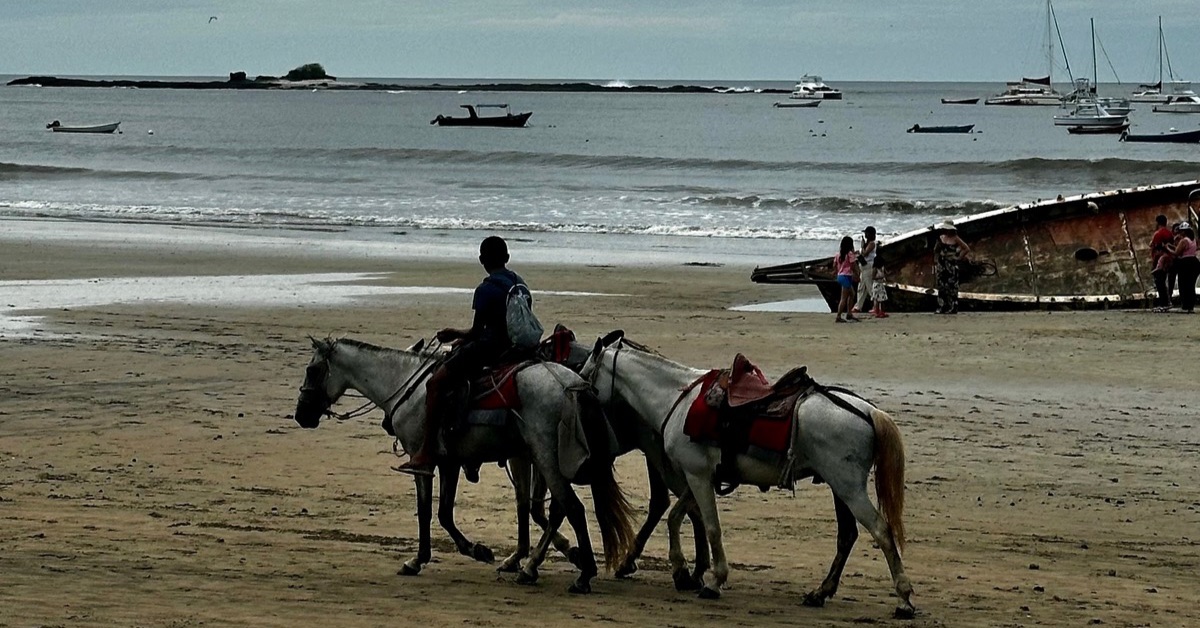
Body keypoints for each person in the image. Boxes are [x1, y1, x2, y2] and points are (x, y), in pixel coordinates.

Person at [394, 236, 529, 476]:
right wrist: (463, 338)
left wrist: (455, 333)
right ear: (507, 259)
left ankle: (425, 452)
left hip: (490, 349)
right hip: (515, 348)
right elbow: (506, 325)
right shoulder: (520, 284)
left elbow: (479, 332)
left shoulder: (486, 289)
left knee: (435, 384)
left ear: (481, 260)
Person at [933, 221, 970, 314]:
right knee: (942, 286)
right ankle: (942, 306)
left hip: (952, 264)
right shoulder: (941, 238)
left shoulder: (956, 238)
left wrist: (958, 257)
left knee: (952, 286)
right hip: (942, 264)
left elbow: (966, 248)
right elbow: (936, 250)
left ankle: (953, 307)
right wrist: (936, 260)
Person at [1172, 223, 1199, 313]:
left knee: (1183, 284)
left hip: (1185, 263)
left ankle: (1185, 305)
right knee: (1191, 285)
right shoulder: (1193, 240)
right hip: (1194, 262)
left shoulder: (1184, 241)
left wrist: (1166, 248)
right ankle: (1190, 305)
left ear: (1184, 232)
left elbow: (1176, 253)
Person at [1150, 214, 1175, 311]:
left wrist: (1154, 263)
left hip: (1160, 260)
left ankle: (1163, 303)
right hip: (1168, 259)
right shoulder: (1169, 233)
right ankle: (1166, 302)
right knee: (1163, 281)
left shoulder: (1158, 234)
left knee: (1159, 282)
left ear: (1157, 222)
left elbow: (1157, 250)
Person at [833, 236, 860, 323]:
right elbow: (854, 266)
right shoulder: (850, 254)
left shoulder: (838, 255)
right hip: (846, 276)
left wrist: (836, 272)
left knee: (852, 294)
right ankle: (838, 316)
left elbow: (834, 265)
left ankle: (849, 313)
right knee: (844, 297)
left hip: (840, 276)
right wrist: (857, 275)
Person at [854, 225, 879, 314]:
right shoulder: (867, 243)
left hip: (868, 266)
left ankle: (876, 307)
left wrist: (862, 246)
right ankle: (858, 306)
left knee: (869, 287)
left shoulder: (872, 243)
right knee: (861, 288)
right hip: (864, 267)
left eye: (866, 233)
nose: (865, 235)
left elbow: (865, 253)